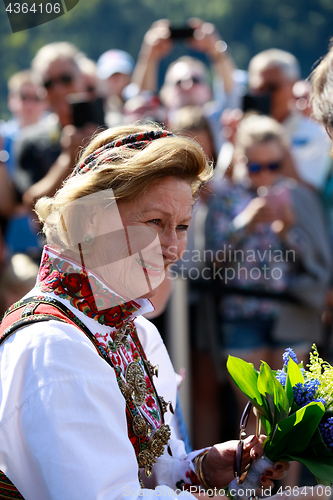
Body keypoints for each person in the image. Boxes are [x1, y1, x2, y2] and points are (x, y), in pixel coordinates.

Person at [0, 123, 295, 499]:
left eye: (183, 226)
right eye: (155, 222)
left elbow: (142, 474)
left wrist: (199, 468)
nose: (171, 247)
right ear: (92, 221)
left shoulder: (132, 328)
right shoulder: (55, 347)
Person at [205, 114, 332, 451]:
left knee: (292, 417)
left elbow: (315, 263)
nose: (265, 174)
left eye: (273, 165)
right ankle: (250, 487)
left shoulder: (299, 197)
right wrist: (242, 226)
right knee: (253, 415)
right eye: (256, 166)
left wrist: (288, 230)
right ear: (241, 159)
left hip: (290, 315)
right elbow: (209, 265)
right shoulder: (226, 199)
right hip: (240, 313)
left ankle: (284, 494)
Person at [247, 48, 331, 190]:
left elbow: (311, 192)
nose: (266, 95)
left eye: (272, 87)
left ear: (293, 85)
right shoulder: (242, 132)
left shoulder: (316, 135)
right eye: (259, 89)